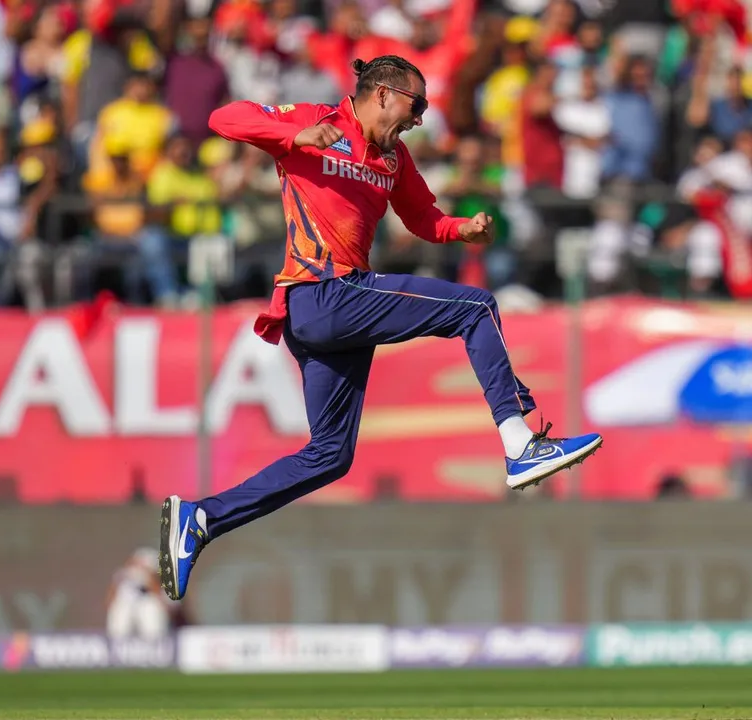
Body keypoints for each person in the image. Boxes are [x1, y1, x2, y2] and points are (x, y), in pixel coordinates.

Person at [158, 56, 603, 602]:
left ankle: (200, 519)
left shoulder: (392, 158)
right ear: (385, 95)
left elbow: (422, 219)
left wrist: (462, 228)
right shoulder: (318, 119)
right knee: (476, 307)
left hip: (332, 316)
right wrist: (294, 133)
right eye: (416, 107)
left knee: (331, 456)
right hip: (321, 291)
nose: (418, 121)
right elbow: (225, 117)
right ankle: (520, 442)